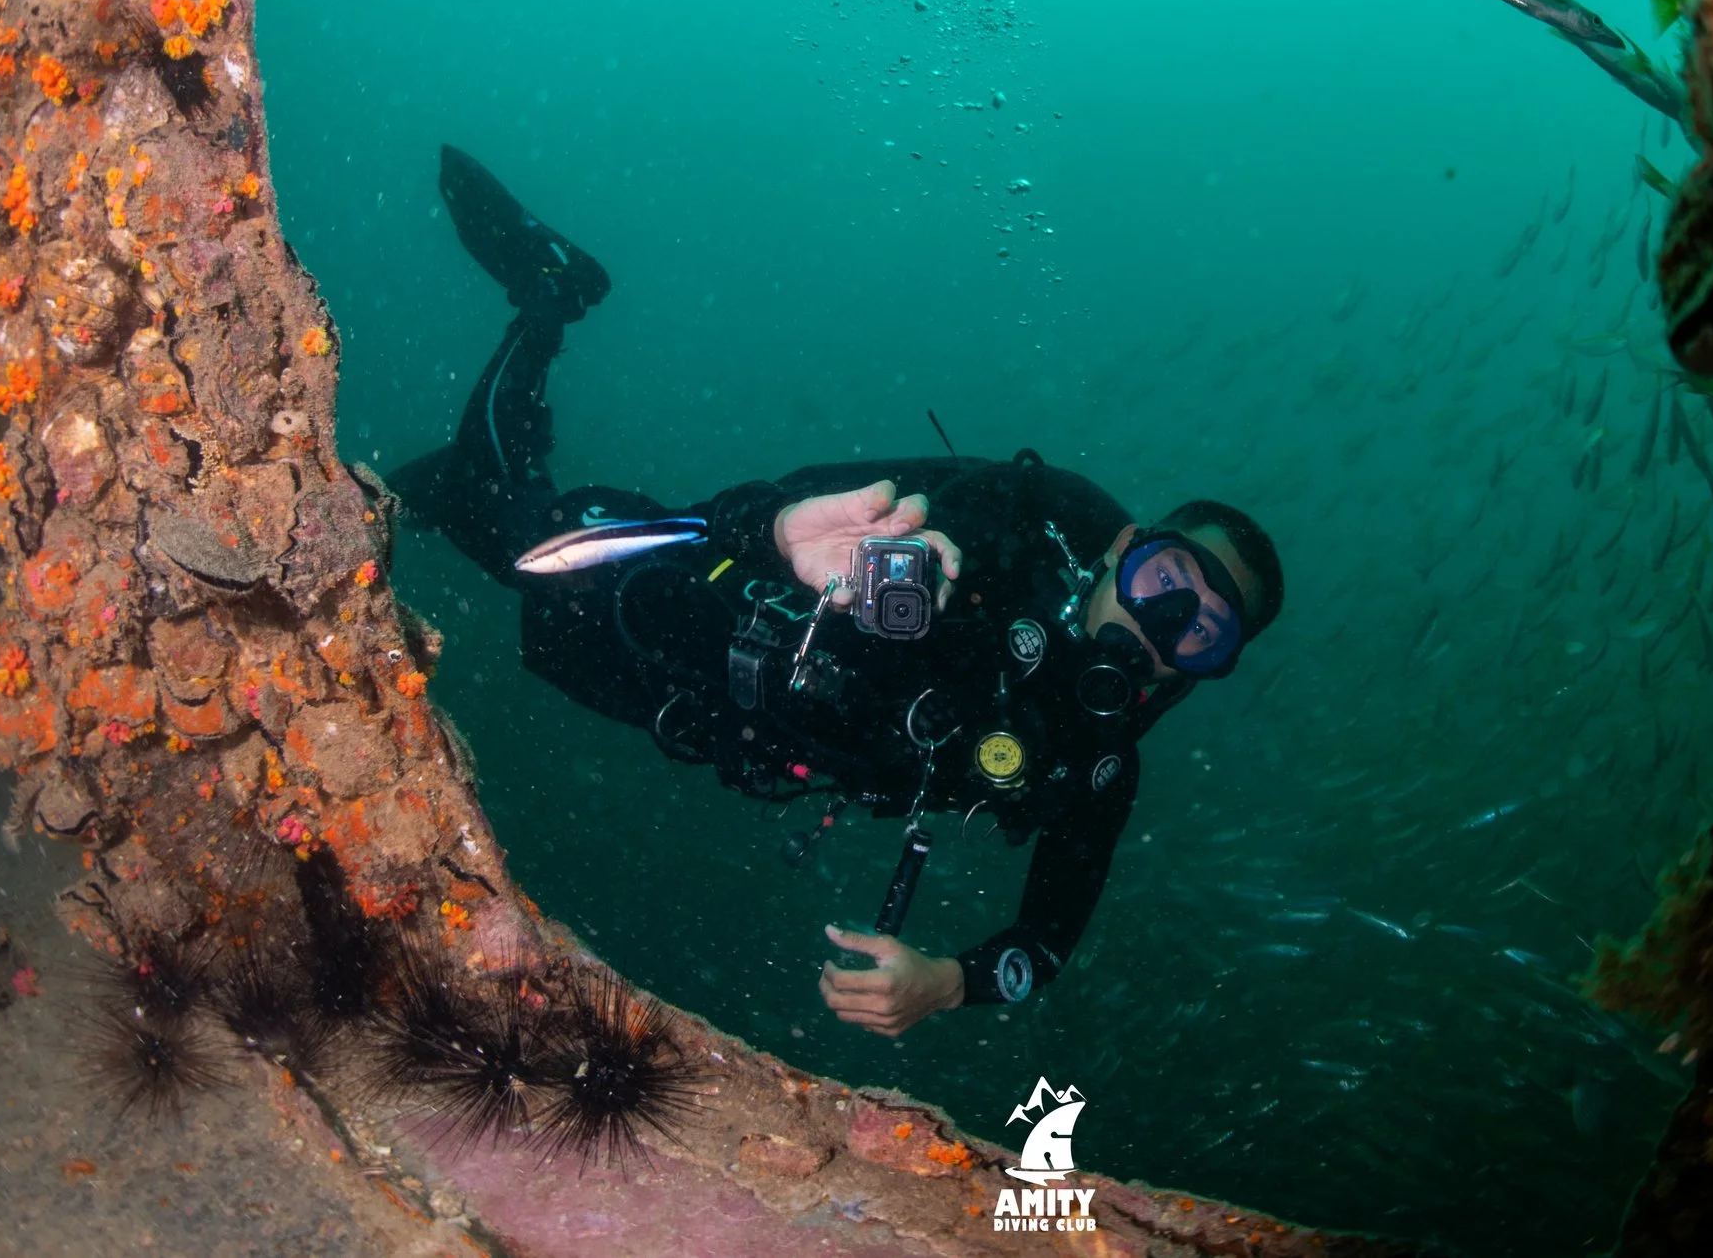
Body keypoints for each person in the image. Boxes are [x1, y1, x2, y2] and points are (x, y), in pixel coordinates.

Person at [392, 147, 1284, 1036]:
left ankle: (422, 480)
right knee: (496, 503)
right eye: (1162, 582)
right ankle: (548, 291)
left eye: (1199, 632)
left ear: (1206, 668)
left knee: (467, 510)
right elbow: (881, 529)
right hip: (674, 595)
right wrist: (793, 543)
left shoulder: (1097, 762)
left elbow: (1044, 941)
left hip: (697, 717)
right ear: (1125, 548)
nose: (1156, 629)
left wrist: (948, 981)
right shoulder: (1009, 543)